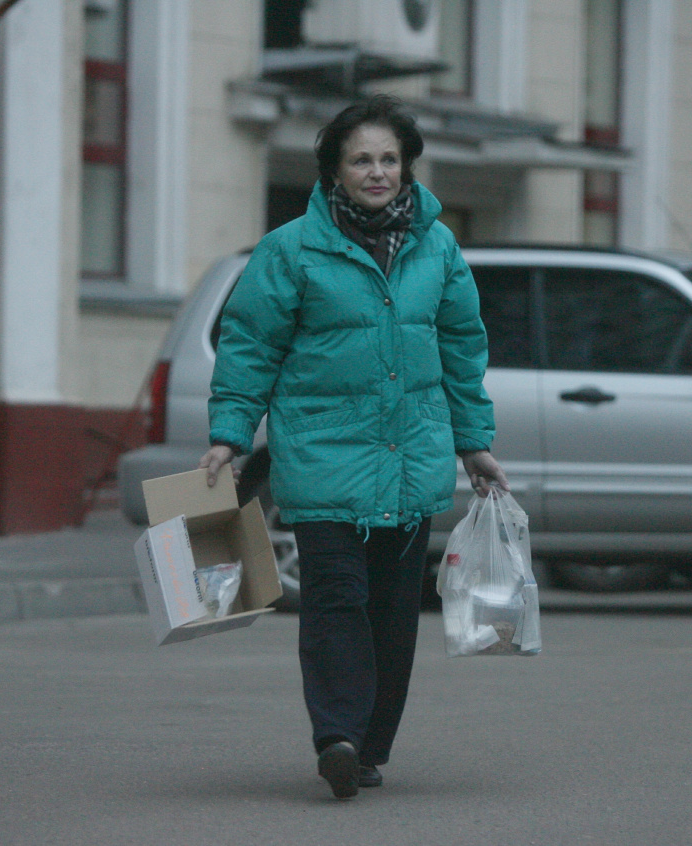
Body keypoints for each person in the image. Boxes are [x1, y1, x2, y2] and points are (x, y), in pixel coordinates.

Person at [198, 94, 508, 800]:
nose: (377, 172)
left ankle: (368, 749)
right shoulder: (290, 249)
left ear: (406, 167)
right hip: (321, 456)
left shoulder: (437, 247)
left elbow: (462, 350)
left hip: (410, 459)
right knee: (336, 599)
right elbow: (250, 345)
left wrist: (474, 443)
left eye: (389, 159)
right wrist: (229, 435)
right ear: (333, 171)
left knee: (393, 616)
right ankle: (336, 736)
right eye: (361, 159)